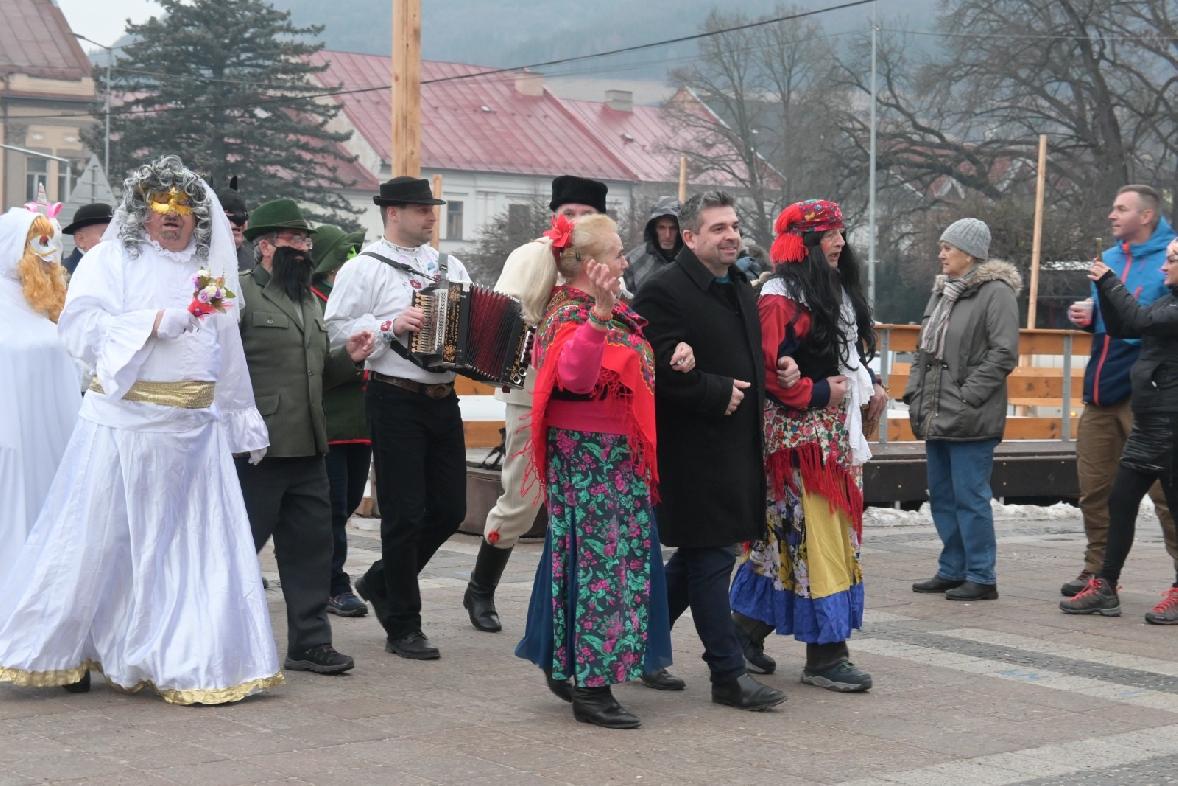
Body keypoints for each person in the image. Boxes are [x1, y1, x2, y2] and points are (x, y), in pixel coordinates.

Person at [0, 155, 281, 703]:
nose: (171, 215)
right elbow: (79, 329)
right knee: (100, 540)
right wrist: (149, 323)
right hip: (122, 428)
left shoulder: (211, 273)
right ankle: (66, 648)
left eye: (182, 207)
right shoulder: (112, 260)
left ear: (200, 218)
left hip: (192, 436)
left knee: (188, 549)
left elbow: (226, 352)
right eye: (161, 205)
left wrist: (240, 417)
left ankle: (187, 654)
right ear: (144, 212)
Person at [516, 212, 680, 729]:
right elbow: (575, 376)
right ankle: (591, 686)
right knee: (601, 567)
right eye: (616, 254)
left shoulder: (597, 310)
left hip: (611, 456)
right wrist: (600, 318)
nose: (626, 260)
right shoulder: (573, 313)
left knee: (591, 562)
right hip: (590, 457)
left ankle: (571, 668)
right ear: (591, 265)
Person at [632, 190, 787, 711]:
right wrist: (714, 391)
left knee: (697, 558)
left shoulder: (741, 286)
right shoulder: (663, 291)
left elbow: (742, 355)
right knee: (711, 558)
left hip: (738, 447)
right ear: (690, 237)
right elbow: (648, 371)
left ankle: (638, 645)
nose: (731, 235)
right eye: (718, 228)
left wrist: (776, 373)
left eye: (735, 226)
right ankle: (726, 672)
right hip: (692, 452)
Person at [728, 199, 885, 692]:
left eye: (840, 233)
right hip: (798, 445)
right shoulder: (778, 298)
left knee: (791, 543)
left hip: (829, 439)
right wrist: (818, 392)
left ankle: (742, 633)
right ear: (803, 244)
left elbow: (844, 356)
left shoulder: (826, 291)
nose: (839, 243)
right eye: (828, 236)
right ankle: (826, 654)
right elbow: (768, 371)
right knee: (817, 541)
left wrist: (869, 386)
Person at [324, 176, 471, 660]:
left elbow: (473, 323)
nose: (431, 217)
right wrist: (389, 325)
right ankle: (404, 624)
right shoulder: (364, 268)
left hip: (442, 395)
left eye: (431, 209)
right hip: (393, 396)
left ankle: (382, 580)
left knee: (449, 509)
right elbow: (335, 332)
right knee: (404, 514)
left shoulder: (449, 266)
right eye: (420, 209)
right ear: (391, 213)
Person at [464, 174, 607, 633]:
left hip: (587, 401)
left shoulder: (606, 259)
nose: (578, 221)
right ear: (555, 215)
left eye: (588, 214)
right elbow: (505, 317)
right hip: (533, 394)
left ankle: (572, 595)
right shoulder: (532, 255)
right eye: (570, 213)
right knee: (522, 497)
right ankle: (481, 587)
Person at [237, 200, 373, 675]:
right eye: (295, 240)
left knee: (313, 551)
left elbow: (316, 374)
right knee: (238, 548)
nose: (304, 248)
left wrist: (348, 358)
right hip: (258, 450)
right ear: (265, 245)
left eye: (307, 241)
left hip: (312, 446)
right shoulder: (238, 296)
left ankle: (310, 643)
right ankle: (224, 639)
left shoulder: (309, 301)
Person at [1060, 186, 1178, 618]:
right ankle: (1100, 575)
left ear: (1146, 215)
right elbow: (1116, 319)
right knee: (1102, 491)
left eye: (1121, 208)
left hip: (1154, 400)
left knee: (1168, 497)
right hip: (1105, 386)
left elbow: (1142, 322)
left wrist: (1110, 292)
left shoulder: (1169, 258)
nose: (1112, 214)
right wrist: (1091, 316)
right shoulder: (1111, 257)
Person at [905, 218, 1020, 601]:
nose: (941, 254)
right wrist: (913, 392)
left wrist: (968, 394)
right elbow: (924, 349)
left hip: (971, 415)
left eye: (947, 247)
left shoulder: (996, 293)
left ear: (968, 253)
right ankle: (952, 569)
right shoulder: (943, 293)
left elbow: (1004, 352)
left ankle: (981, 576)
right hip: (938, 412)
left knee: (970, 497)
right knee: (941, 495)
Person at [0, 205, 82, 579]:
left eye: (51, 240)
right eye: (39, 241)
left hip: (53, 443)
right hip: (12, 444)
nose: (48, 252)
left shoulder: (44, 306)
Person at [310, 223, 371, 617]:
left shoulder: (355, 300)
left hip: (362, 424)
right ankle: (332, 581)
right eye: (341, 259)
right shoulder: (315, 301)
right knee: (331, 506)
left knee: (347, 502)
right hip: (331, 420)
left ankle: (320, 566)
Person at [623, 197, 681, 295]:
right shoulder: (633, 261)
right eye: (661, 228)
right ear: (654, 229)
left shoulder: (694, 259)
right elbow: (626, 302)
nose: (667, 235)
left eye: (673, 228)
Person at [61, 203, 113, 275]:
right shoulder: (60, 277)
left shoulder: (116, 272)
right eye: (105, 235)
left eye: (116, 236)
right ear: (80, 239)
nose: (113, 241)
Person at [220, 189, 254, 270]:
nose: (236, 224)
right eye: (228, 217)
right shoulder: (196, 261)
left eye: (242, 217)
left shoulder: (257, 264)